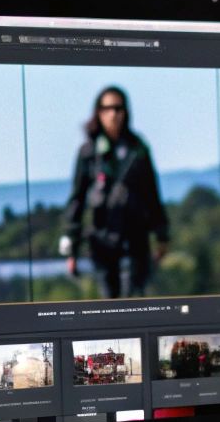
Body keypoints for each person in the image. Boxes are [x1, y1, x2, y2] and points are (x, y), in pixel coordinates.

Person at [60, 86, 168, 298]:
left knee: (133, 298)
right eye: (107, 108)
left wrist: (161, 234)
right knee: (109, 301)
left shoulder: (138, 149)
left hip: (135, 237)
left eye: (118, 108)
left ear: (126, 112)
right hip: (102, 239)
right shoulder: (89, 152)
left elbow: (152, 194)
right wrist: (72, 244)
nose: (113, 114)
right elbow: (77, 199)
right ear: (98, 112)